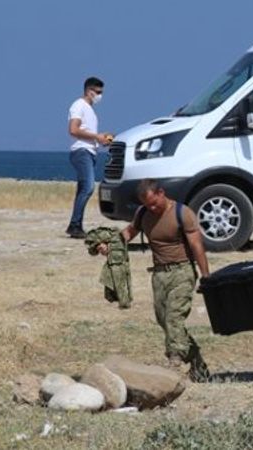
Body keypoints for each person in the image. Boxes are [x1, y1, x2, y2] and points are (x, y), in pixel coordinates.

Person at [95, 179, 212, 381]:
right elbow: (129, 232)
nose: (152, 207)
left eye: (154, 203)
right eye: (147, 204)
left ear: (161, 193)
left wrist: (206, 276)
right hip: (159, 274)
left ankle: (174, 363)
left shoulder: (182, 213)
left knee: (174, 317)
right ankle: (197, 363)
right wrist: (110, 245)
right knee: (165, 322)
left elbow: (196, 245)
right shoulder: (143, 213)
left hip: (182, 271)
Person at [66, 77, 113, 239]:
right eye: (98, 92)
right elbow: (73, 129)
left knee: (83, 189)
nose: (100, 96)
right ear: (89, 91)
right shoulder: (79, 105)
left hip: (90, 151)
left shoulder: (90, 110)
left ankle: (75, 224)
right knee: (88, 187)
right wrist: (96, 136)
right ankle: (74, 225)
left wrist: (102, 140)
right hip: (81, 151)